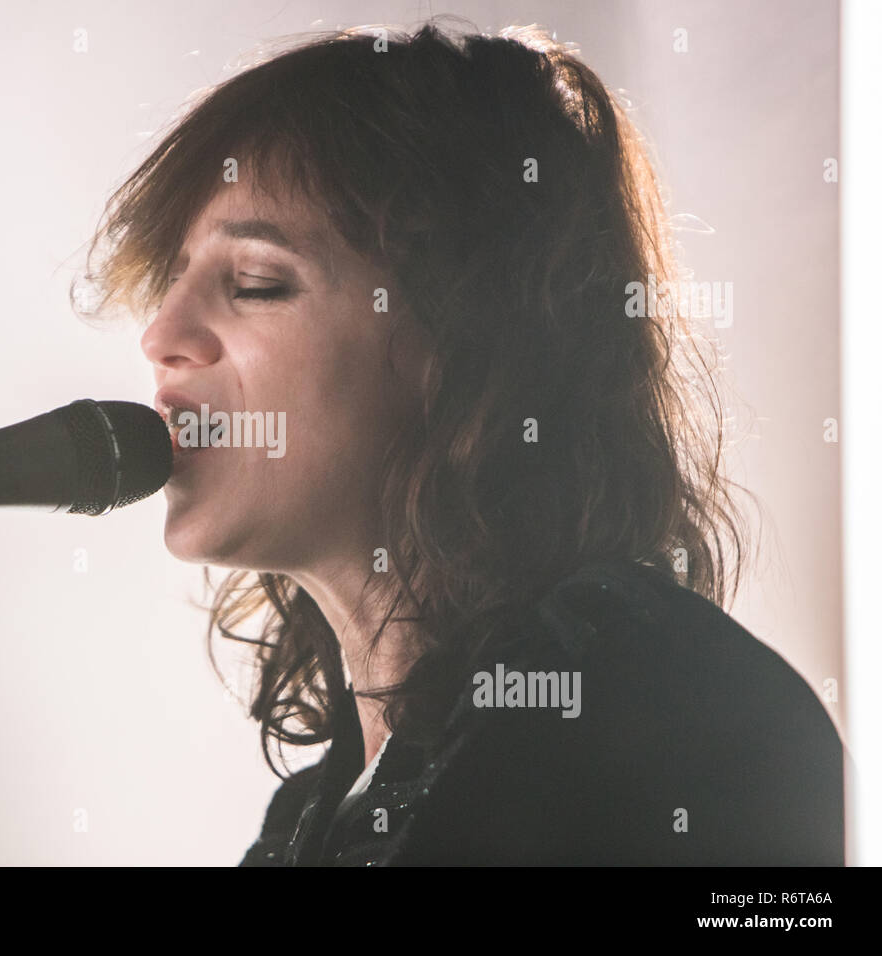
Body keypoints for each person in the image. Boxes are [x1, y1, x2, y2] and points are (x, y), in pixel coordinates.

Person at [75, 18, 844, 865]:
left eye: (255, 283)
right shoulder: (309, 817)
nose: (163, 333)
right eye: (173, 280)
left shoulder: (664, 713)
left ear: (463, 337)